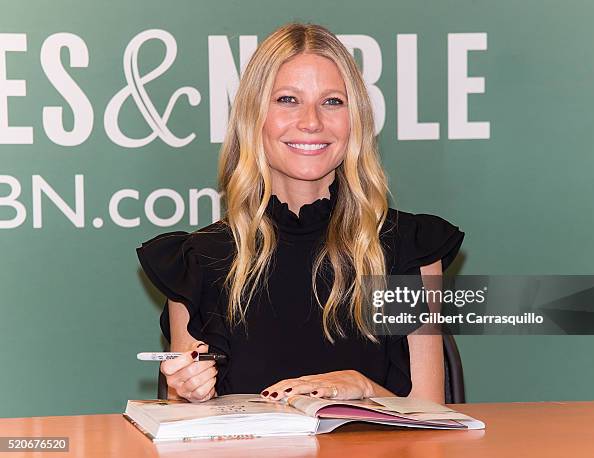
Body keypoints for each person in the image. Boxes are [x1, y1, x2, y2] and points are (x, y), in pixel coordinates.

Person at [136, 23, 463, 404]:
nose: (311, 121)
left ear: (354, 120)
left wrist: (363, 386)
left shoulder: (409, 248)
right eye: (288, 100)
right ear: (254, 116)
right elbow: (187, 428)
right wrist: (190, 392)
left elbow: (433, 417)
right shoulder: (197, 262)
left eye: (332, 101)